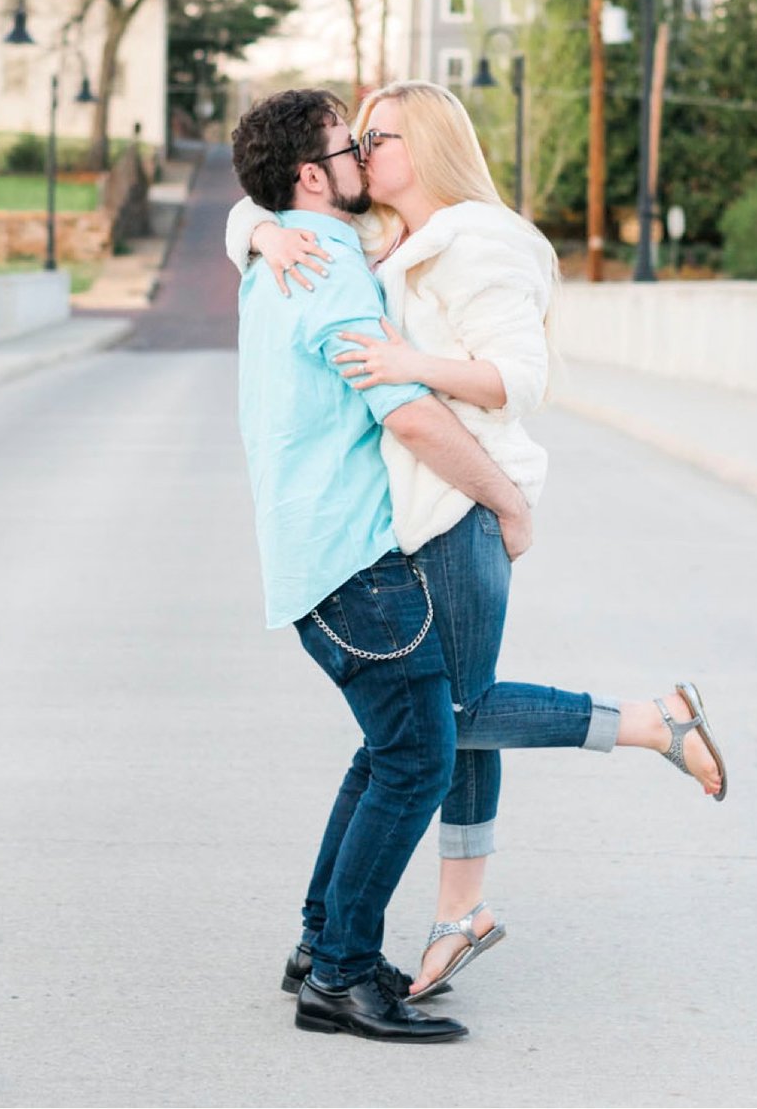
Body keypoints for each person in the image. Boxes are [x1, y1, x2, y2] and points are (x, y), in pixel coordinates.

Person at [229, 79, 727, 998]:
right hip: (403, 521)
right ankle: (428, 919)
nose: (365, 150)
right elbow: (266, 199)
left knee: (441, 722)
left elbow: (518, 377)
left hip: (457, 509)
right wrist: (260, 228)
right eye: (356, 138)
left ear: (424, 143)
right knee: (423, 731)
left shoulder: (482, 239)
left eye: (379, 135)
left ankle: (648, 730)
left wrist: (492, 483)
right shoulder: (370, 240)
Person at [230, 88, 534, 1045]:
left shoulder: (290, 247)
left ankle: (323, 942)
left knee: (387, 748)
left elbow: (256, 215)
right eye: (345, 145)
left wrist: (254, 224)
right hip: (349, 560)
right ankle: (341, 974)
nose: (363, 153)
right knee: (418, 755)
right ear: (314, 176)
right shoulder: (324, 267)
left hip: (312, 552)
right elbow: (404, 409)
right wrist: (506, 497)